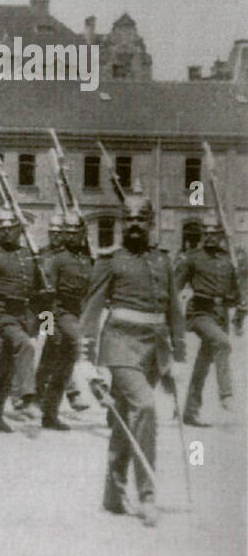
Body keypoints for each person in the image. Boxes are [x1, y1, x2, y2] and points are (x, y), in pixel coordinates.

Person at [81, 195, 184, 527]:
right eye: (129, 219)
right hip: (120, 345)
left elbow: (173, 312)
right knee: (145, 408)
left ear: (151, 222)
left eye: (141, 219)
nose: (135, 224)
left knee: (127, 417)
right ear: (123, 223)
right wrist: (85, 359)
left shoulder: (163, 261)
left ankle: (112, 494)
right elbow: (91, 311)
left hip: (154, 350)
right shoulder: (110, 260)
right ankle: (147, 495)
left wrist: (177, 356)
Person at [0, 208, 43, 431]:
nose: (5, 233)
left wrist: (45, 327)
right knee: (25, 346)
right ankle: (28, 399)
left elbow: (44, 294)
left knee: (3, 363)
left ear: (19, 230)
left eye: (10, 229)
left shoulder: (29, 255)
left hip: (22, 314)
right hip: (0, 312)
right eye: (1, 229)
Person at [175, 213, 245, 426]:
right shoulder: (192, 258)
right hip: (200, 313)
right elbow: (174, 286)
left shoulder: (228, 259)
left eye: (214, 233)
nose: (210, 237)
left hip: (221, 314)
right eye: (206, 233)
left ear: (222, 235)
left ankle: (190, 411)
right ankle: (226, 394)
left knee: (203, 364)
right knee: (222, 343)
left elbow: (238, 292)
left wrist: (240, 311)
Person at [38, 212, 94, 430]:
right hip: (60, 313)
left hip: (81, 313)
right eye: (66, 233)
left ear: (82, 233)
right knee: (57, 351)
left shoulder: (88, 259)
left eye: (75, 233)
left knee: (62, 365)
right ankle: (31, 395)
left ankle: (48, 413)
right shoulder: (56, 259)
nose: (70, 237)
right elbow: (46, 295)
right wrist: (48, 327)